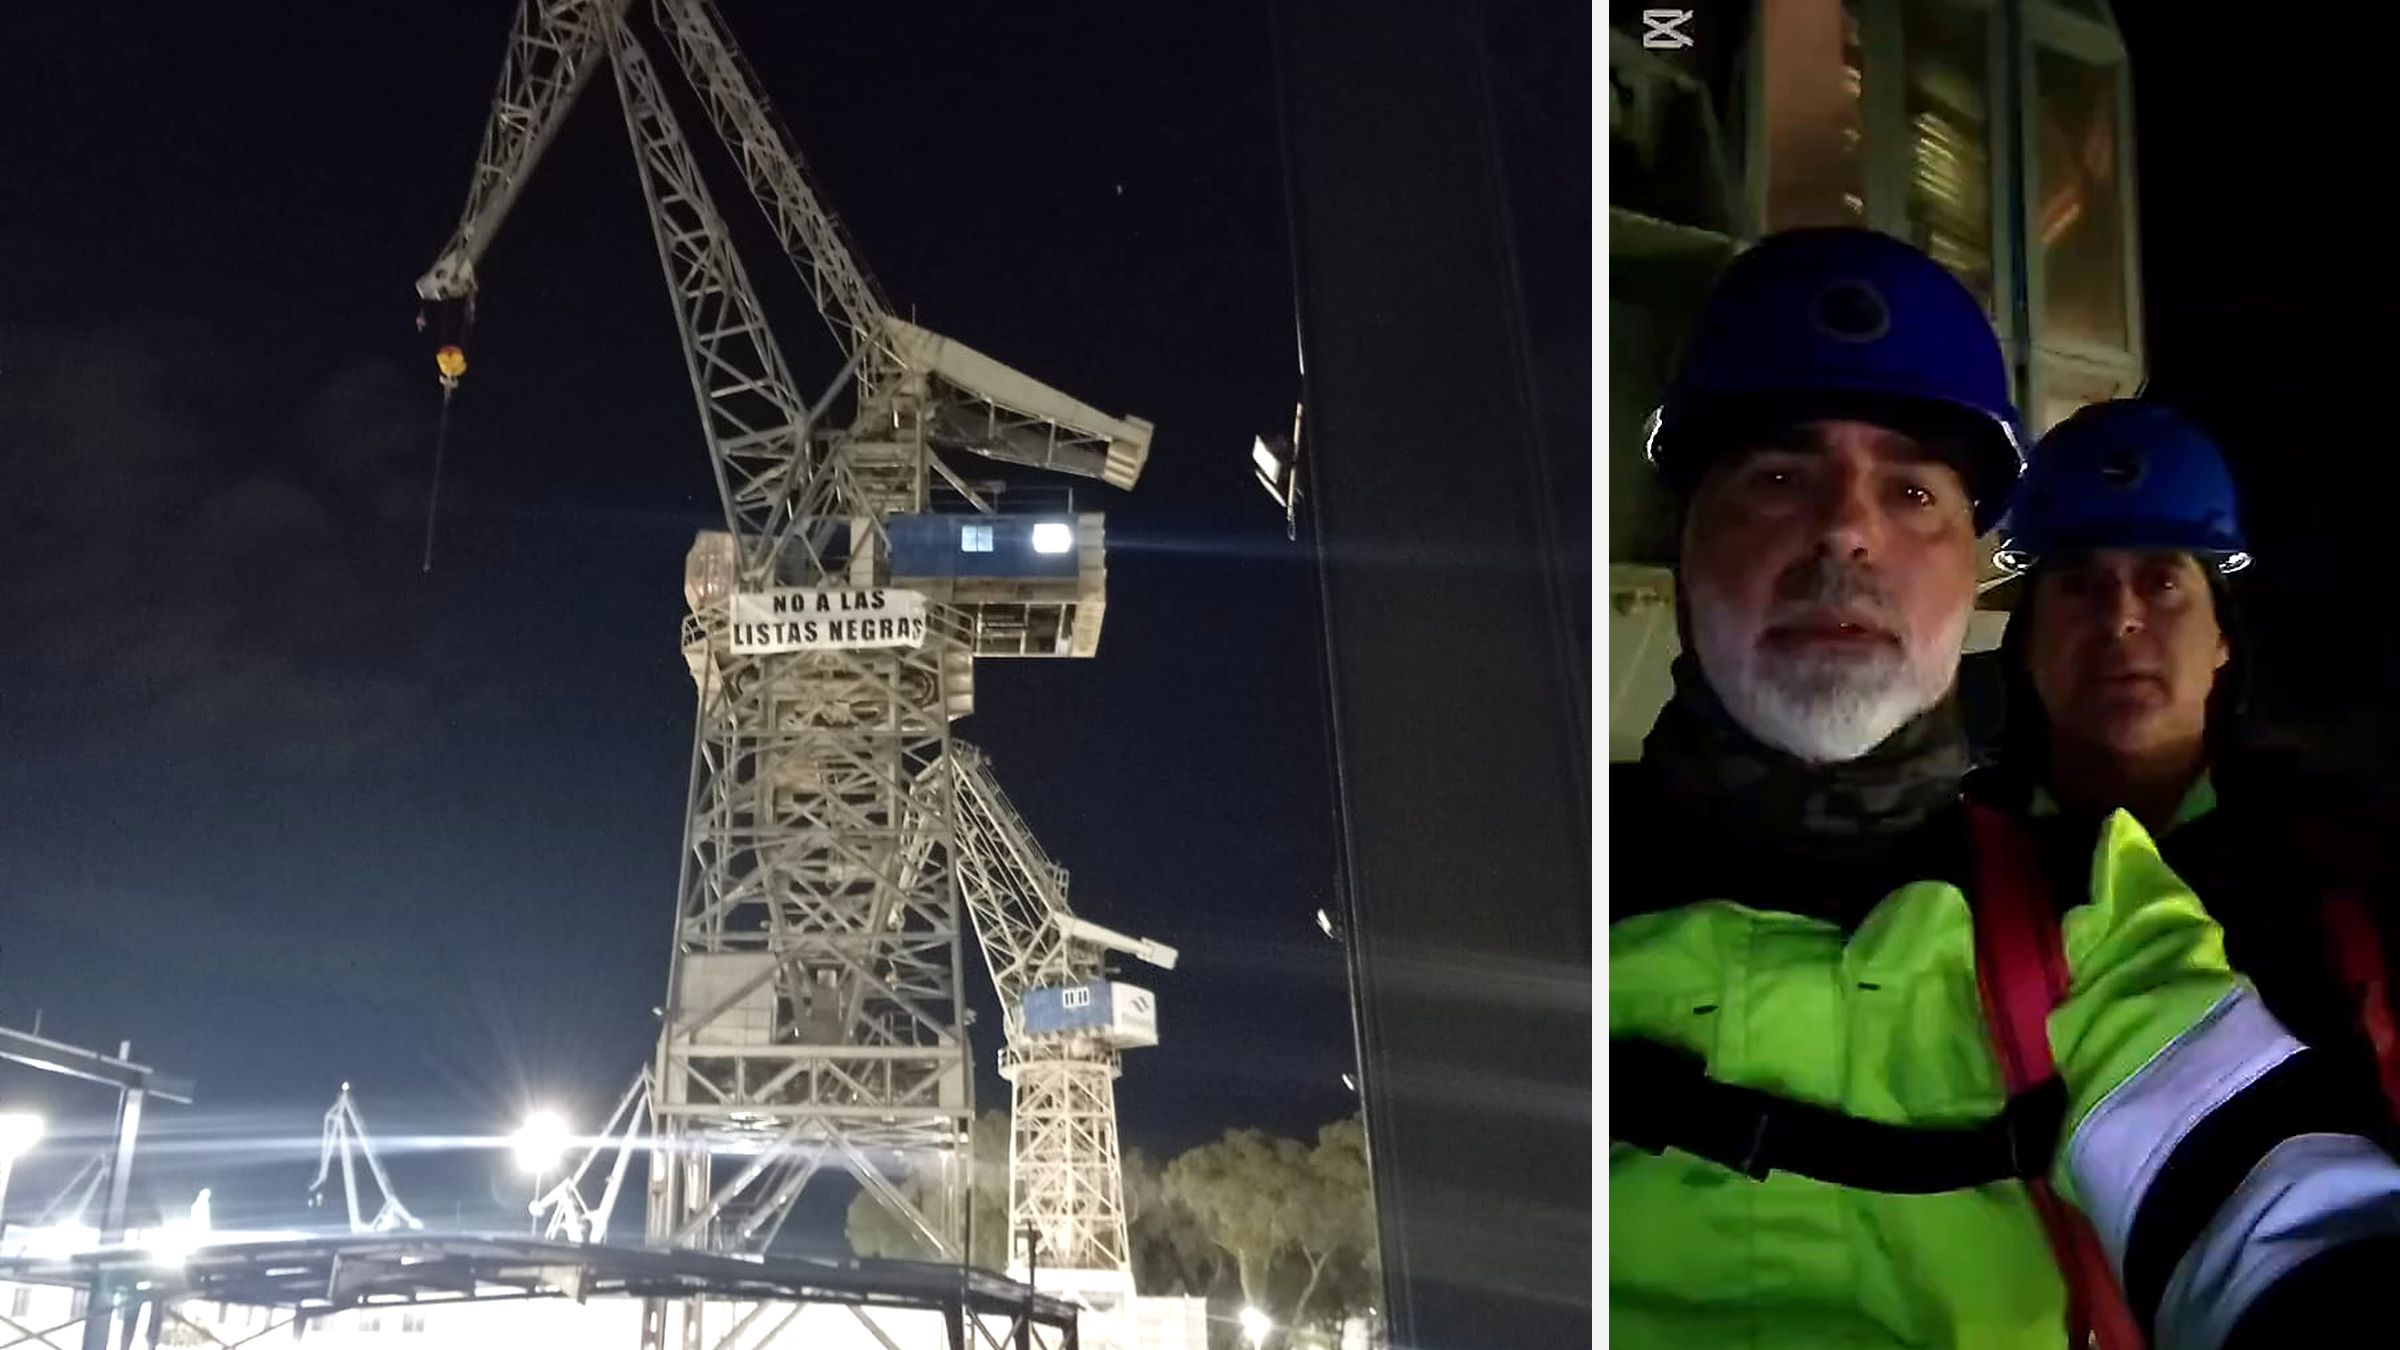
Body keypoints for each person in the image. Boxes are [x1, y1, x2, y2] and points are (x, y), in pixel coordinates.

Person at [1610, 226, 2400, 1350]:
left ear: (1967, 586)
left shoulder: (2095, 912)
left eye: (1915, 494)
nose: (1845, 528)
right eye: (1779, 476)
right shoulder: (1515, 882)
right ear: (1683, 549)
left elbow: (2273, 1206)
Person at [1976, 399, 2400, 1119]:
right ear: (2026, 645)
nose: (2120, 618)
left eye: (2163, 580)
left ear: (2222, 640)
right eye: (2078, 584)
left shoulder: (2352, 862)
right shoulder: (1946, 870)